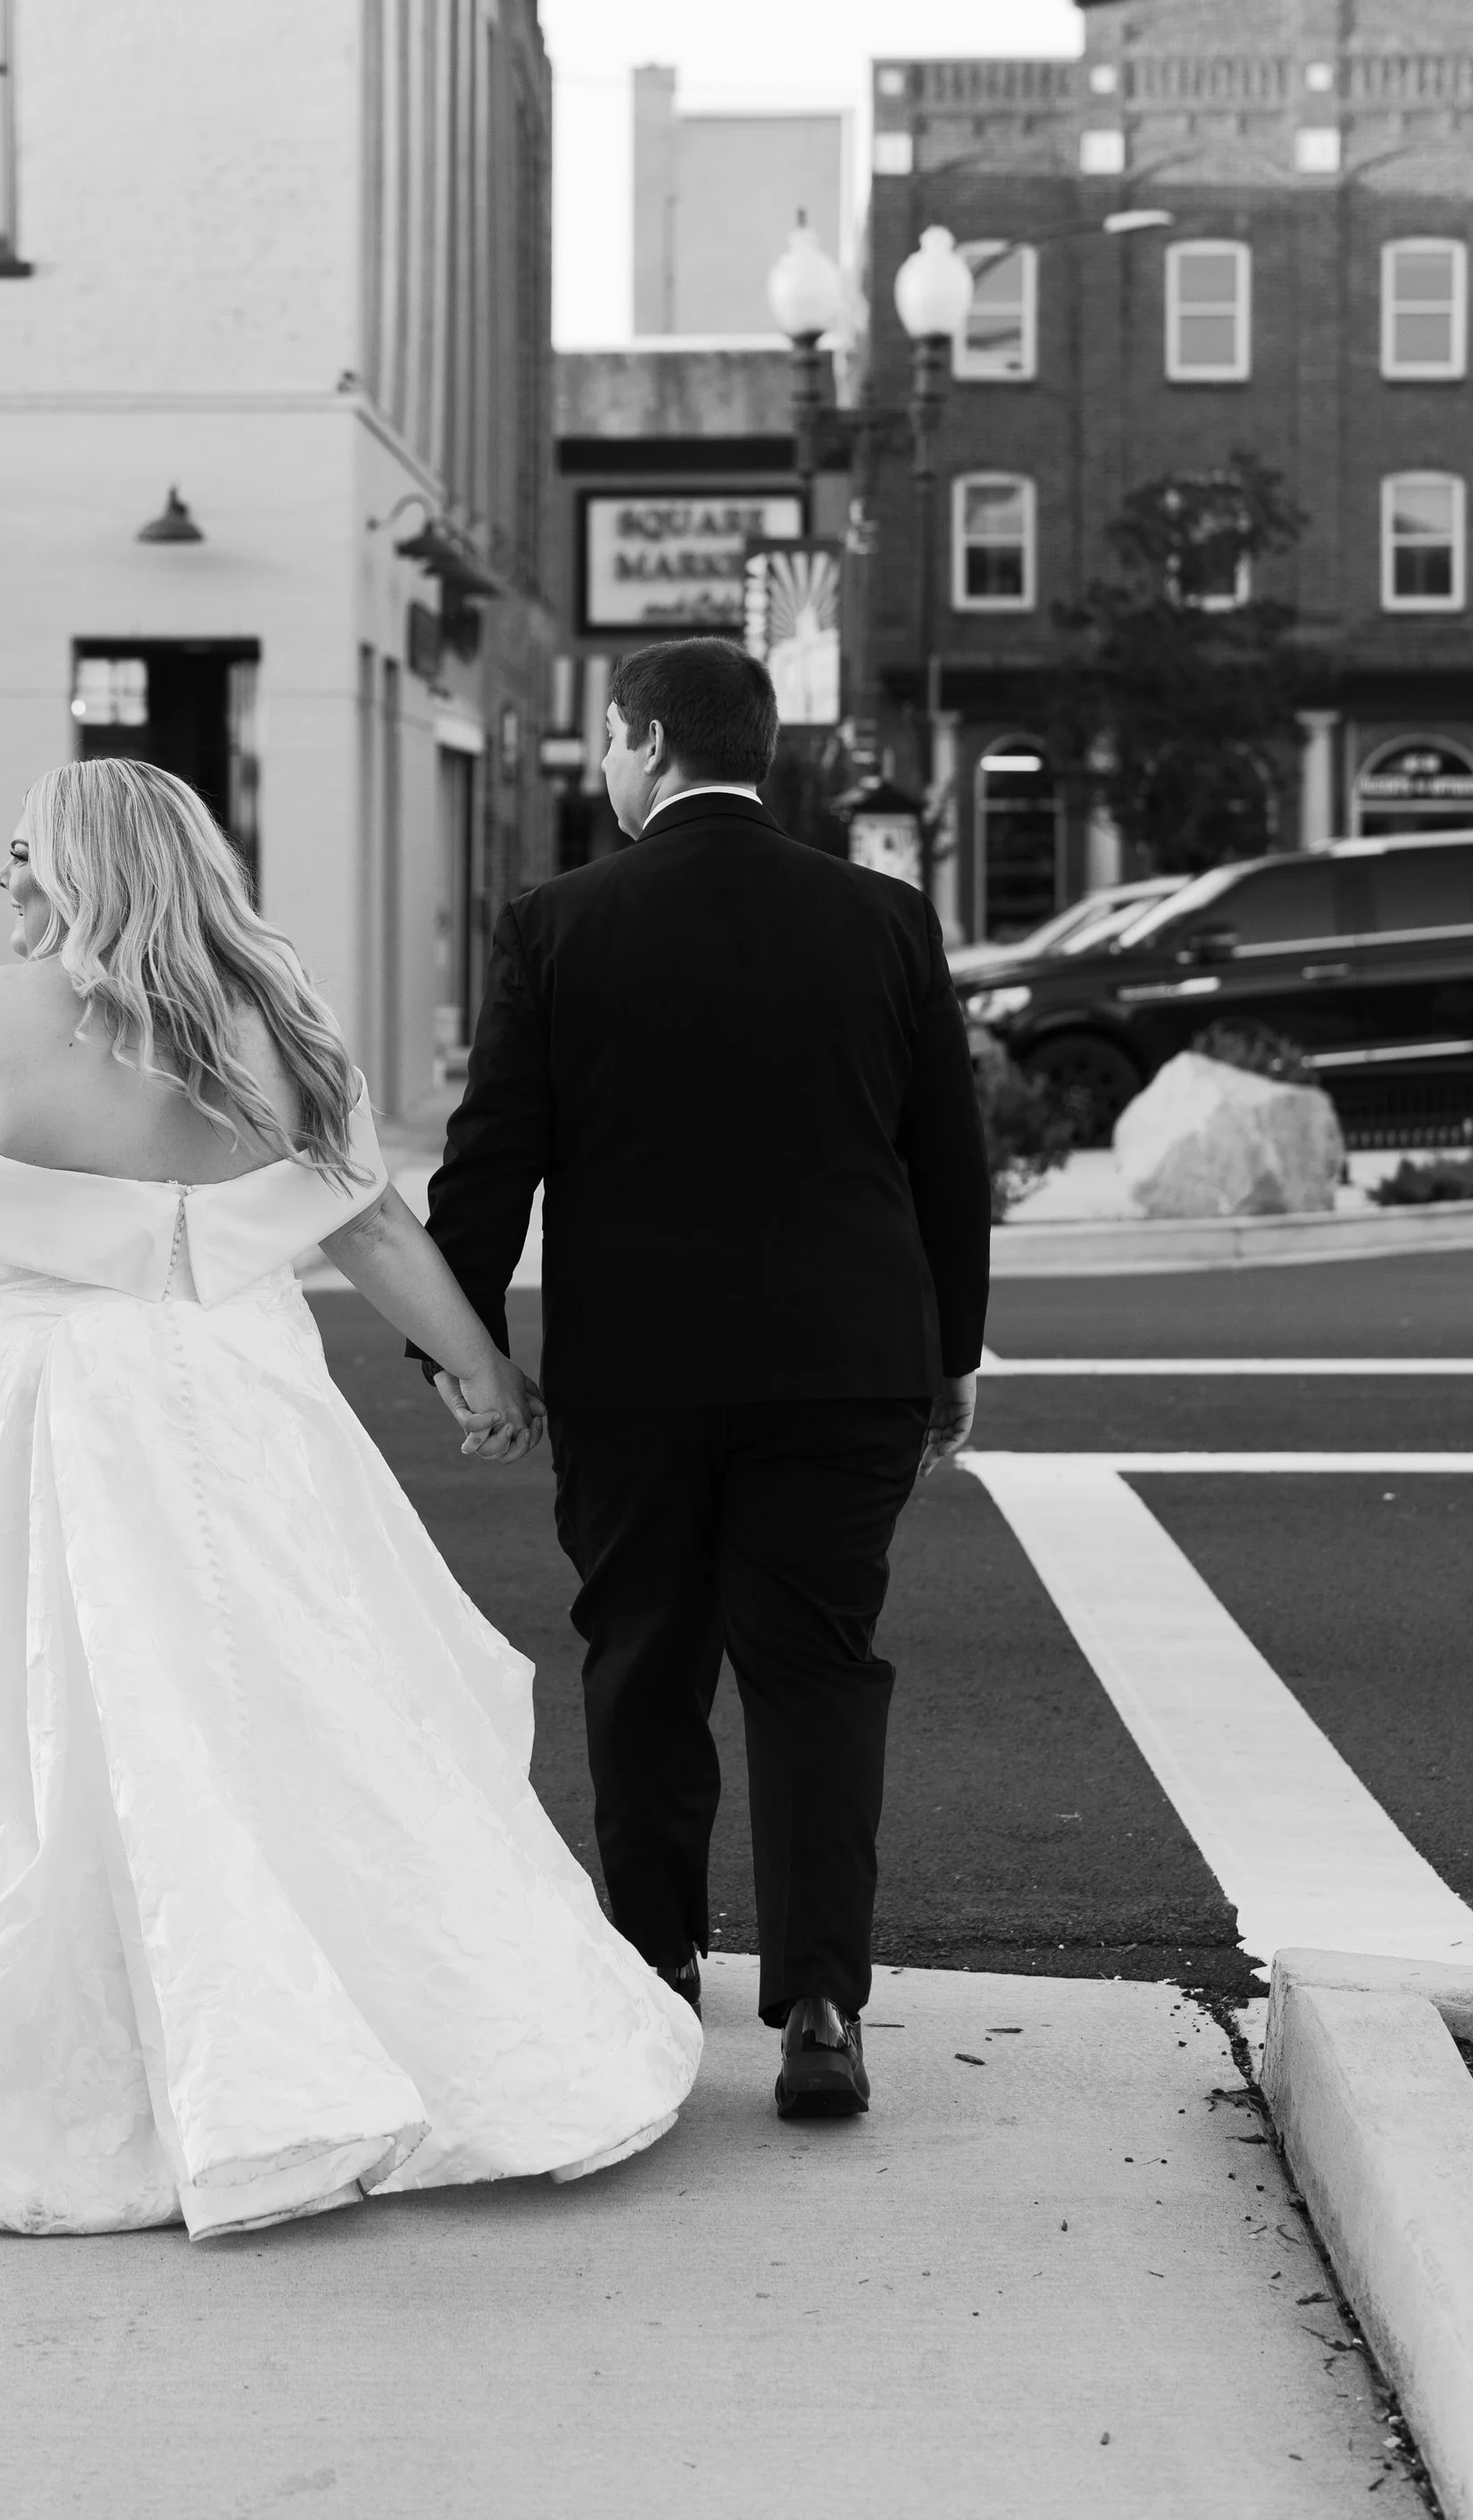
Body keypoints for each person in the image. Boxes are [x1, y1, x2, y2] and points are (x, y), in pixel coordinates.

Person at [0, 757, 699, 2237]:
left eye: (28, 853)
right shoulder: (277, 1022)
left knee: (49, 1722)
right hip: (236, 1396)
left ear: (90, 863)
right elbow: (373, 1230)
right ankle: (376, 2030)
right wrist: (481, 1369)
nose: (11, 880)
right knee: (291, 1706)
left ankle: (116, 2053)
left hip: (34, 1402)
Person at [420, 638, 990, 2119]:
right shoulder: (883, 918)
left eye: (609, 741)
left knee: (644, 1665)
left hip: (639, 1374)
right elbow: (947, 1162)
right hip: (844, 1365)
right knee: (814, 1672)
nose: (606, 764)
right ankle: (816, 2009)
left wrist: (462, 1346)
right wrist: (951, 1356)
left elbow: (491, 1164)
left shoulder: (557, 924)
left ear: (650, 742)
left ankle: (654, 1978)